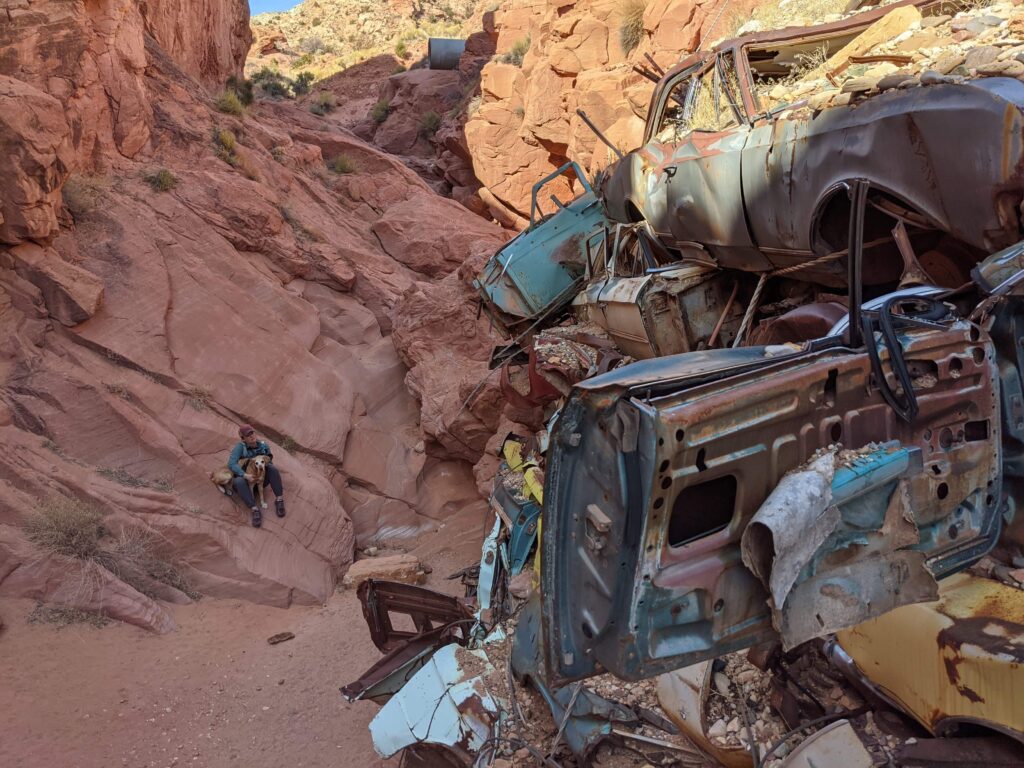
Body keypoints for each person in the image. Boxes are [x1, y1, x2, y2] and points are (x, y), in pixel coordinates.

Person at [228, 424, 286, 528]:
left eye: (252, 433)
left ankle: (279, 500)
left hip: (260, 480)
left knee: (272, 469)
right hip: (246, 483)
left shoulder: (263, 445)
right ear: (243, 438)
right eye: (248, 435)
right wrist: (245, 475)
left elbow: (269, 461)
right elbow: (231, 463)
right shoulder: (240, 447)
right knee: (238, 481)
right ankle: (254, 509)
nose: (251, 436)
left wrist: (264, 468)